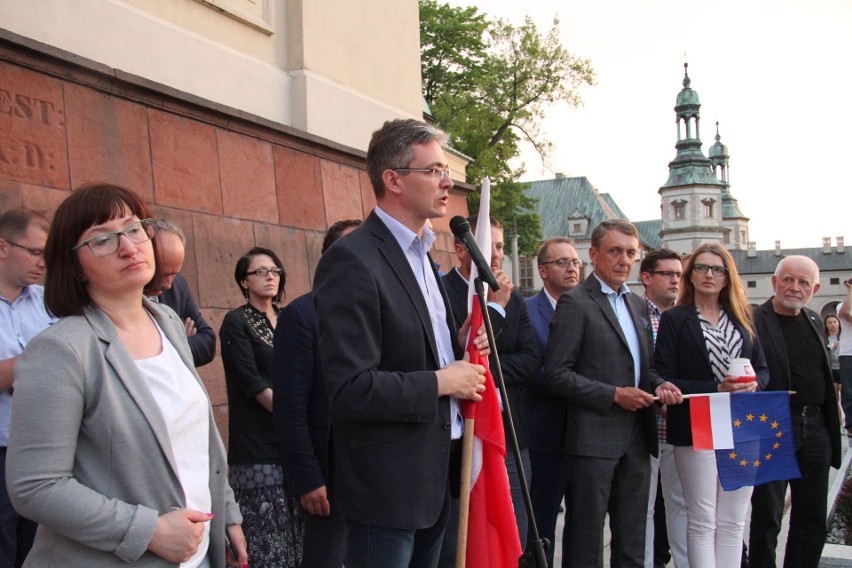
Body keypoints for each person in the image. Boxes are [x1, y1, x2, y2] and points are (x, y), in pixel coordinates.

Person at [6, 184, 247, 567]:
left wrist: (226, 511)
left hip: (196, 554)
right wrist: (147, 530)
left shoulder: (167, 321)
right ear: (74, 265)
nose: (128, 247)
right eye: (102, 239)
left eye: (134, 228)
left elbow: (196, 436)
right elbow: (35, 486)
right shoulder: (62, 349)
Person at [312, 118, 488, 568]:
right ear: (393, 179)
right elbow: (351, 389)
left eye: (446, 170)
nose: (447, 182)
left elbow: (417, 346)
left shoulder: (424, 253)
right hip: (386, 486)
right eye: (433, 171)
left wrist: (459, 343)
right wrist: (441, 380)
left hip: (438, 472)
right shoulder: (352, 261)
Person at [544, 219, 682, 567]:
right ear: (593, 254)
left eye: (631, 253)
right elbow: (557, 375)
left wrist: (659, 384)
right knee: (586, 540)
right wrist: (613, 395)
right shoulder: (576, 303)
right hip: (592, 441)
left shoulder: (637, 305)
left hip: (638, 437)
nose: (624, 260)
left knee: (633, 537)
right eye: (615, 251)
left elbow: (643, 368)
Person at [654, 242, 769, 568]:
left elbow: (763, 368)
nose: (709, 275)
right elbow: (662, 374)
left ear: (728, 276)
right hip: (699, 420)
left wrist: (754, 383)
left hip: (742, 422)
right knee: (702, 518)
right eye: (702, 268)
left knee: (733, 521)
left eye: (717, 269)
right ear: (691, 276)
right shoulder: (675, 319)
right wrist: (716, 388)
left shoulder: (744, 316)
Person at [439, 214, 539, 564]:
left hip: (509, 435)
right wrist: (493, 310)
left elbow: (530, 361)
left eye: (499, 246)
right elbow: (457, 357)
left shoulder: (513, 297)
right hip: (461, 439)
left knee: (513, 532)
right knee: (466, 540)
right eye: (488, 246)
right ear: (461, 250)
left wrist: (488, 373)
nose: (495, 255)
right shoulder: (441, 292)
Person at [273, 218, 361, 568]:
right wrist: (308, 478)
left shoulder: (378, 310)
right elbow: (290, 409)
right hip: (328, 479)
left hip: (375, 473)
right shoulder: (301, 315)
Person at [748, 255, 841, 568]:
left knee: (812, 516)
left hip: (816, 427)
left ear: (814, 288)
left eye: (803, 282)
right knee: (767, 514)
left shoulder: (814, 320)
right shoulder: (753, 320)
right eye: (788, 279)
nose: (795, 287)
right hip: (774, 424)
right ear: (774, 283)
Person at [220, 246, 303, 567]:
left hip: (296, 445)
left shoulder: (290, 318)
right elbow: (251, 382)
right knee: (266, 544)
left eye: (275, 271)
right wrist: (295, 417)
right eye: (260, 272)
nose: (270, 277)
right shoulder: (236, 321)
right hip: (257, 448)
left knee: (301, 542)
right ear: (244, 281)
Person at [523, 236, 582, 567]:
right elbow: (531, 370)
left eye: (575, 262)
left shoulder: (590, 307)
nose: (572, 268)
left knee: (585, 522)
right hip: (545, 435)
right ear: (542, 270)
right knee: (541, 522)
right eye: (563, 262)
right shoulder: (528, 312)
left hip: (588, 432)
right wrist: (583, 385)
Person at [0, 208, 54, 568]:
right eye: (35, 252)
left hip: (47, 448)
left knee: (40, 551)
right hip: (2, 448)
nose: (42, 263)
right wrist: (40, 358)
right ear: (2, 247)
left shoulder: (51, 302)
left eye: (47, 255)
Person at [638, 248, 689, 568]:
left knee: (682, 506)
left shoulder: (688, 316)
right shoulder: (633, 313)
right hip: (644, 428)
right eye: (668, 274)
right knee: (643, 508)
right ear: (646, 278)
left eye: (679, 275)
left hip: (683, 429)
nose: (675, 280)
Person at [146, 219, 216, 367]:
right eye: (160, 274)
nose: (167, 284)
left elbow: (208, 343)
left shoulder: (178, 286)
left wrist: (174, 345)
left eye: (173, 274)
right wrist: (179, 339)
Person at [837, 280, 852, 437]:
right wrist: (850, 290)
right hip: (848, 353)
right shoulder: (842, 305)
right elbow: (846, 314)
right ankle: (851, 426)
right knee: (848, 391)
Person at [826, 313, 842, 416]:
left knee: (846, 396)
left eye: (834, 322)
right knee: (834, 398)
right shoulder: (824, 338)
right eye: (829, 322)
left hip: (844, 369)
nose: (832, 324)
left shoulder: (844, 337)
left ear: (839, 323)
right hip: (831, 369)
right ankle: (839, 423)